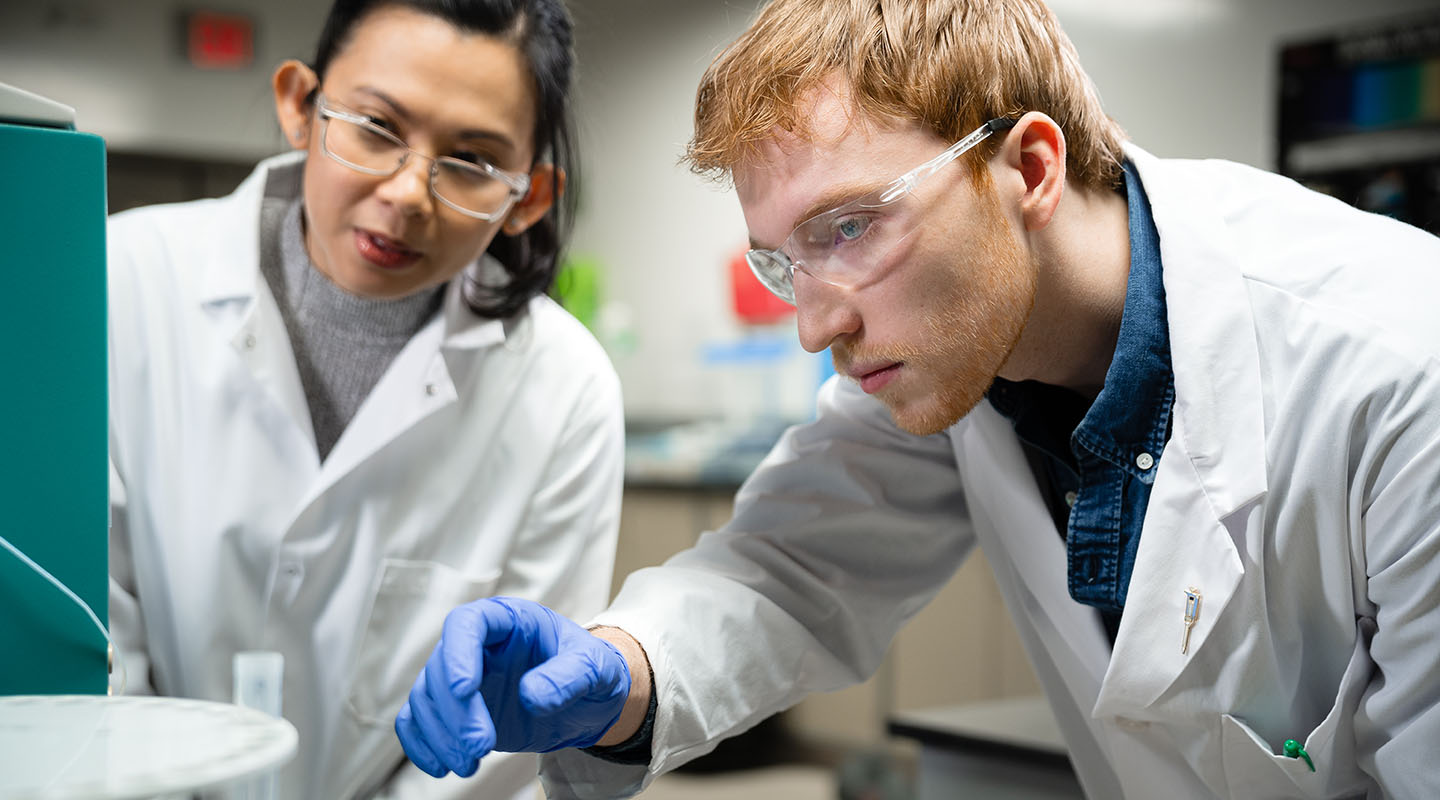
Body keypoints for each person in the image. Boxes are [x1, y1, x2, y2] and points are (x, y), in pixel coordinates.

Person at [395, 0, 1440, 797]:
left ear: (1029, 165)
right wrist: (617, 670)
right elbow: (787, 567)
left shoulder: (1399, 369)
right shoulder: (963, 350)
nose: (814, 321)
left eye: (848, 228)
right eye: (784, 259)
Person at [105, 1, 623, 798]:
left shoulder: (564, 388)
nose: (410, 193)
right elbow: (90, 634)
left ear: (529, 196)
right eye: (377, 128)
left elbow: (505, 728)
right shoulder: (121, 279)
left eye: (472, 161)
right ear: (300, 106)